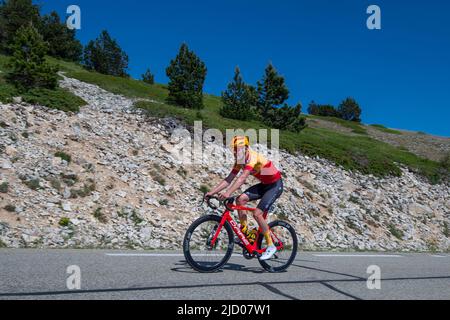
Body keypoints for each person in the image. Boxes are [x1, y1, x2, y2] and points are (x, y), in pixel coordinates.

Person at [205, 136, 284, 260]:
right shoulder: (239, 161)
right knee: (240, 199)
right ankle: (245, 232)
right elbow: (229, 179)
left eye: (239, 149)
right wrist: (211, 192)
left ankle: (270, 245)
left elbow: (242, 178)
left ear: (246, 148)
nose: (236, 152)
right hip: (264, 185)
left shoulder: (252, 158)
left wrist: (228, 193)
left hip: (275, 185)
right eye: (235, 149)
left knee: (257, 214)